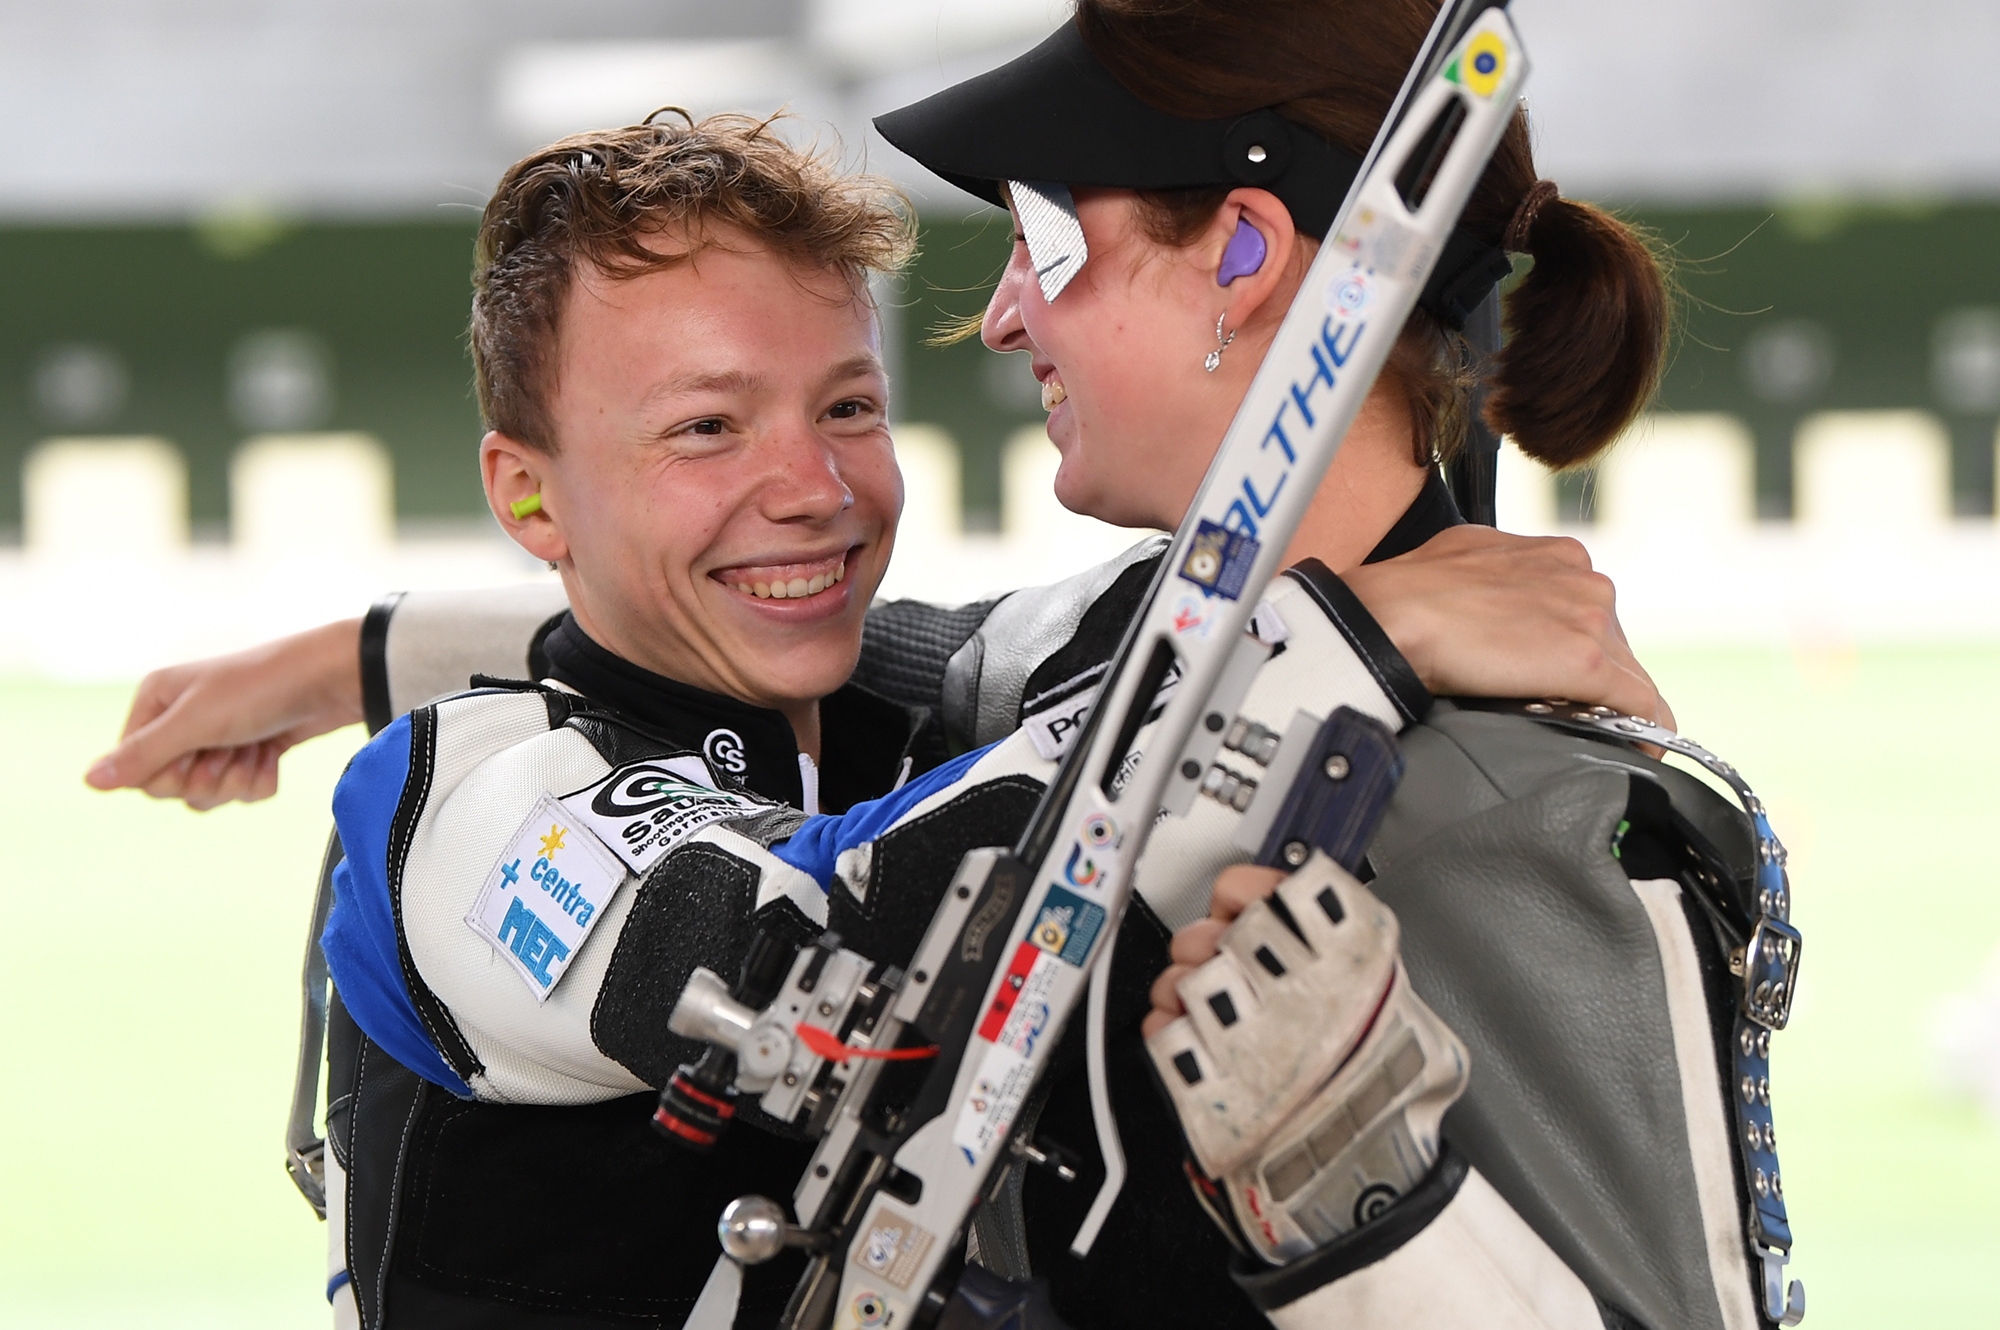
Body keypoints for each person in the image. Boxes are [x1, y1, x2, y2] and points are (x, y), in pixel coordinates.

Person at [78, 8, 1754, 1330]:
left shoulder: (951, 716)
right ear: (530, 491)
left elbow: (907, 658)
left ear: (1252, 255)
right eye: (703, 427)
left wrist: (339, 653)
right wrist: (1357, 638)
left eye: (848, 409)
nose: (809, 486)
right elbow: (802, 979)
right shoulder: (458, 799)